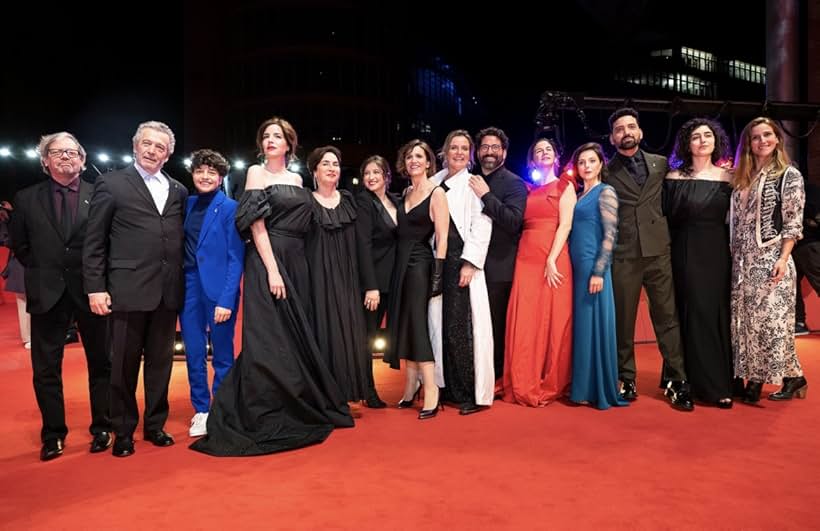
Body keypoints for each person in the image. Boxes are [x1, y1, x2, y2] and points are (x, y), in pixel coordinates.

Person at [190, 117, 352, 457]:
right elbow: (257, 226)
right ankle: (265, 405)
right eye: (266, 136)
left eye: (277, 136)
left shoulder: (297, 178)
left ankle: (294, 401)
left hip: (298, 261)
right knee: (268, 336)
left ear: (289, 143)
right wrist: (273, 270)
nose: (270, 141)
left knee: (294, 334)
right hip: (268, 261)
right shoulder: (254, 173)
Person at [84, 121, 188, 457]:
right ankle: (124, 430)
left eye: (160, 147)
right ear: (135, 146)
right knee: (123, 366)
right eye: (147, 143)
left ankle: (155, 425)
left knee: (161, 365)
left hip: (167, 291)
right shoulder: (111, 184)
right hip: (126, 290)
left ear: (168, 154)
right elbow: (95, 241)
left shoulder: (178, 190)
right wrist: (95, 288)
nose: (152, 150)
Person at [11, 132, 111, 461]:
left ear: (83, 160)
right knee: (46, 369)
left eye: (72, 152)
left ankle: (103, 427)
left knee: (101, 363)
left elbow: (107, 243)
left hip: (91, 290)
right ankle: (53, 434)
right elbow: (21, 247)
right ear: (45, 161)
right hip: (47, 291)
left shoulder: (100, 195)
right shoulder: (26, 199)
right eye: (57, 152)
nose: (66, 157)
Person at [605, 107, 694, 411]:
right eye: (619, 129)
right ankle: (625, 377)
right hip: (624, 254)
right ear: (612, 137)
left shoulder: (660, 165)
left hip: (659, 251)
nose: (626, 132)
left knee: (667, 319)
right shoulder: (605, 171)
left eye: (631, 126)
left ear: (640, 132)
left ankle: (676, 379)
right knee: (623, 321)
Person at [730, 117, 807, 403]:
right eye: (755, 137)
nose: (762, 141)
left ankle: (792, 376)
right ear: (748, 143)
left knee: (772, 322)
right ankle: (755, 379)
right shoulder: (742, 177)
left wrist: (784, 257)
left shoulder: (788, 175)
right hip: (742, 260)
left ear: (777, 139)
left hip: (772, 257)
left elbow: (792, 222)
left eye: (767, 135)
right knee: (746, 323)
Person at [663, 118, 734, 408]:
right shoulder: (673, 178)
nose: (703, 140)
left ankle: (719, 381)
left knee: (715, 312)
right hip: (684, 250)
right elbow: (666, 220)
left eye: (708, 135)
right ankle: (687, 381)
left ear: (716, 142)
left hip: (717, 252)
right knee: (691, 312)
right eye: (696, 137)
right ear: (687, 144)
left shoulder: (730, 178)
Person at [502, 138, 575, 406]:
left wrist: (552, 259)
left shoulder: (566, 186)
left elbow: (565, 225)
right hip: (526, 256)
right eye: (538, 151)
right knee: (526, 318)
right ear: (532, 160)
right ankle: (522, 378)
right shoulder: (525, 188)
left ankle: (549, 378)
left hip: (554, 255)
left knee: (553, 319)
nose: (544, 153)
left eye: (549, 149)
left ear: (556, 156)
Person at [180, 149, 244, 437]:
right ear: (193, 174)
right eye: (200, 171)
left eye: (211, 173)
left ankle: (223, 408)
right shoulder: (186, 204)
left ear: (221, 178)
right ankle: (202, 409)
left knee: (222, 354)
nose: (205, 177)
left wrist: (227, 299)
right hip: (188, 287)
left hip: (219, 291)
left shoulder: (230, 207)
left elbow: (235, 257)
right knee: (193, 352)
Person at [429, 130, 494, 415]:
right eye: (453, 147)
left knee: (462, 328)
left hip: (462, 262)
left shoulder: (473, 183)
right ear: (444, 151)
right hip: (438, 261)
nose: (458, 152)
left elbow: (483, 224)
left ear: (470, 153)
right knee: (439, 326)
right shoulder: (434, 182)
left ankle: (469, 392)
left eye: (463, 148)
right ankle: (447, 387)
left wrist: (470, 262)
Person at [384, 139, 449, 420]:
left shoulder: (437, 193)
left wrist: (438, 274)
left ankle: (431, 387)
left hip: (420, 263)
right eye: (409, 156)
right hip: (400, 264)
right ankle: (411, 387)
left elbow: (443, 237)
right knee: (405, 323)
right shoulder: (407, 191)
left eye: (419, 156)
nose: (414, 160)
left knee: (418, 325)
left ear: (428, 162)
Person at [306, 146, 370, 406]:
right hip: (317, 275)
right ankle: (325, 395)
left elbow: (363, 243)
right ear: (314, 171)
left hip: (347, 274)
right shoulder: (305, 200)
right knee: (322, 330)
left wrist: (370, 284)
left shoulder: (349, 200)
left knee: (350, 331)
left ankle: (349, 393)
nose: (332, 168)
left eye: (335, 163)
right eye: (325, 163)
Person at [568, 142, 628, 410]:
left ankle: (598, 389)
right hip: (578, 269)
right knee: (583, 329)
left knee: (595, 327)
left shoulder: (606, 192)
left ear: (601, 164)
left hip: (594, 269)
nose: (586, 166)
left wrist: (599, 271)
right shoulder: (580, 195)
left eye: (591, 161)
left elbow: (611, 234)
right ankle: (583, 388)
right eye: (581, 162)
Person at [468, 127, 528, 385]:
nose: (489, 152)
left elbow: (514, 222)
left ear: (504, 152)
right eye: (484, 147)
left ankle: (496, 378)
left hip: (499, 267)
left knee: (495, 326)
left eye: (495, 147)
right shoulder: (468, 179)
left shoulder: (514, 182)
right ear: (478, 151)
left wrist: (486, 196)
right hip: (469, 264)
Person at [355, 155, 399, 408]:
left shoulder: (395, 200)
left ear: (386, 176)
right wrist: (370, 286)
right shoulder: (364, 202)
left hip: (393, 280)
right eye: (367, 173)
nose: (371, 177)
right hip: (373, 284)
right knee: (367, 337)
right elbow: (363, 244)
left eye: (376, 172)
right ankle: (367, 390)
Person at [1, 201, 30, 349]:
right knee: (23, 301)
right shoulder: (8, 222)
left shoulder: (20, 217)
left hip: (35, 264)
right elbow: (7, 241)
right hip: (20, 263)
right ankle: (28, 337)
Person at [793, 181, 820, 335]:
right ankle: (798, 321)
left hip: (802, 244)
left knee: (794, 286)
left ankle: (799, 321)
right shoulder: (809, 189)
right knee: (793, 286)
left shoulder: (809, 189)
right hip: (803, 244)